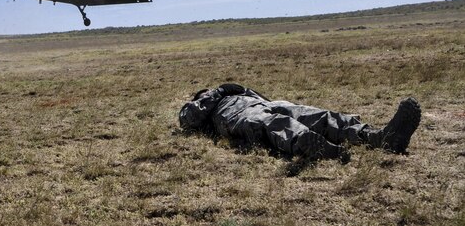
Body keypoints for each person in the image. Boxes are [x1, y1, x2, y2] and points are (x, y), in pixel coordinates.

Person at [179, 83, 421, 162]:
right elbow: (187, 120)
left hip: (266, 103)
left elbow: (261, 98)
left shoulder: (237, 92)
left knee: (316, 115)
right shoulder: (204, 108)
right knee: (272, 123)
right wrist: (213, 93)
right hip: (236, 117)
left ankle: (380, 138)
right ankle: (311, 145)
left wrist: (236, 89)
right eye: (203, 94)